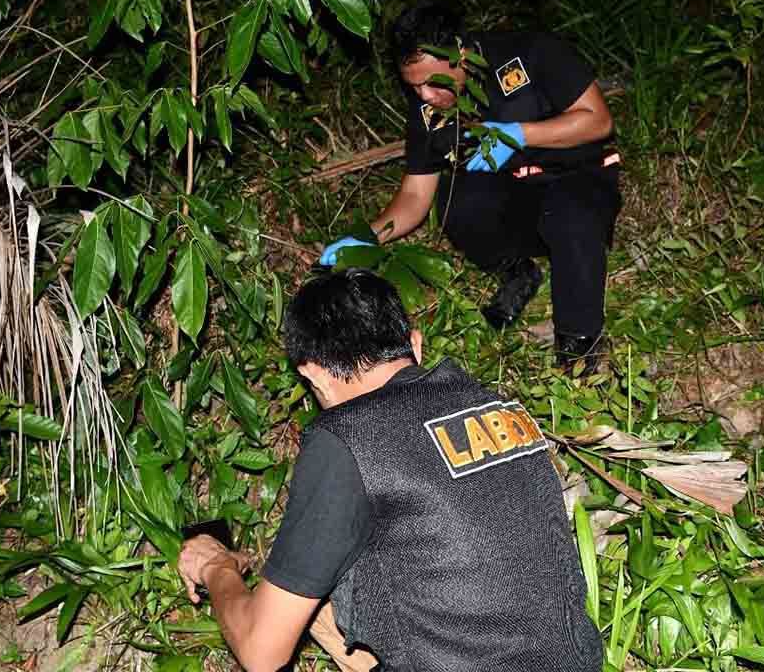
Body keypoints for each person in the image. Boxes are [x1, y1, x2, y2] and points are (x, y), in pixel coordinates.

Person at [177, 269, 603, 672]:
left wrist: (217, 567)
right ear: (415, 345)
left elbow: (261, 652)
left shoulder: (347, 436)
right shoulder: (497, 405)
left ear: (313, 374)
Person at [317, 2, 621, 372]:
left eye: (433, 82)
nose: (426, 96)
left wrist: (521, 135)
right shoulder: (429, 111)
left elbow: (599, 121)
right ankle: (516, 272)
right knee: (456, 199)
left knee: (570, 218)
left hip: (579, 179)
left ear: (460, 53)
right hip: (521, 201)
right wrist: (367, 238)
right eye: (414, 87)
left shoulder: (530, 52)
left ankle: (578, 353)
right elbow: (415, 195)